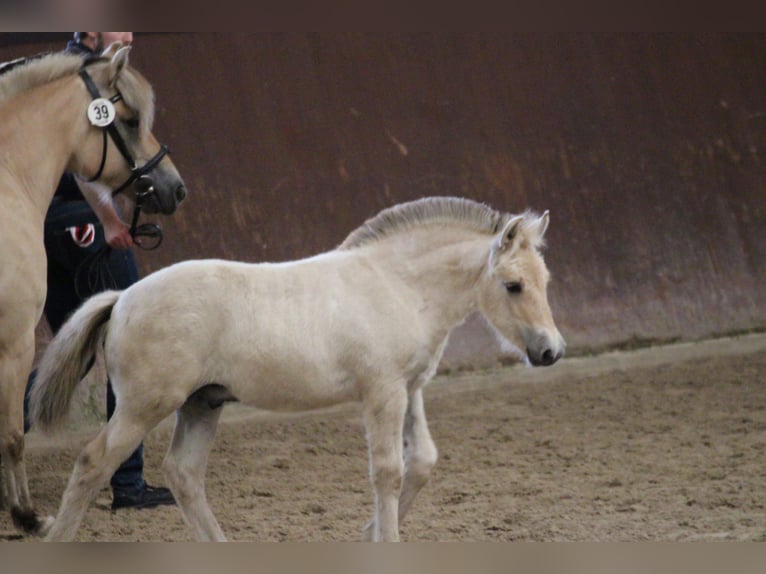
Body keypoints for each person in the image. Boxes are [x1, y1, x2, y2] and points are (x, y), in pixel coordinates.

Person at [23, 32, 175, 511]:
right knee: (133, 335)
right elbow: (88, 168)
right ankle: (128, 482)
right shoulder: (87, 80)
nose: (129, 35)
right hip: (83, 220)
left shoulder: (54, 71)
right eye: (118, 26)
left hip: (43, 220)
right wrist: (110, 220)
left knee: (80, 348)